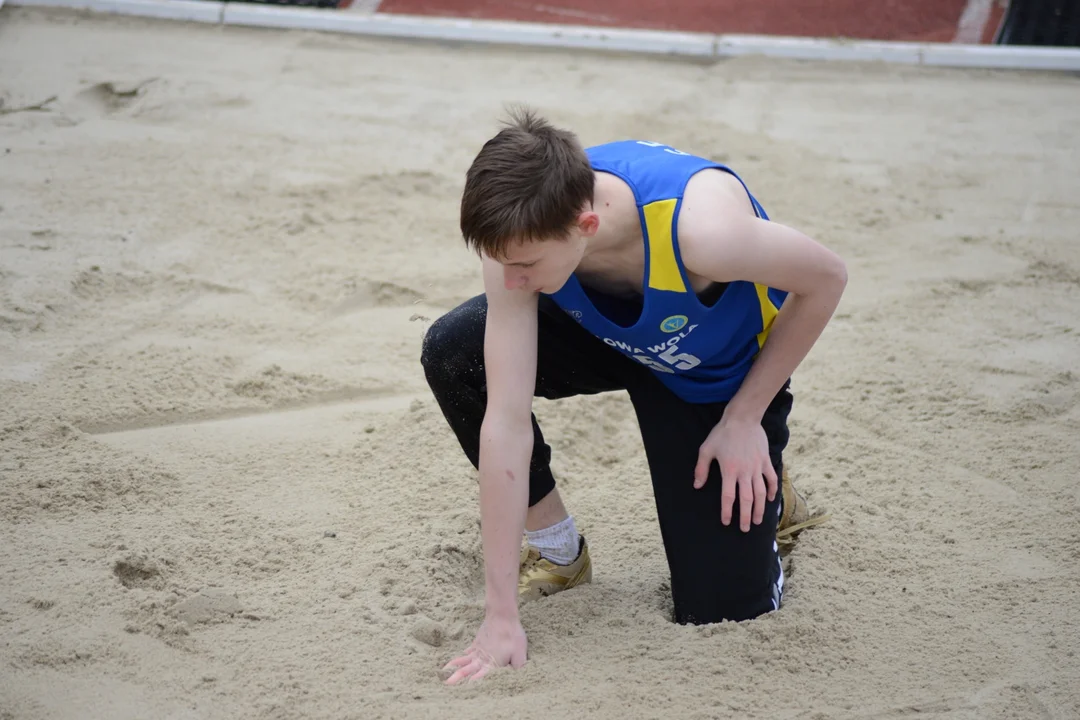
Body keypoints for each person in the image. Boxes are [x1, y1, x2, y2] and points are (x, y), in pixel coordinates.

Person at [420, 106, 847, 685]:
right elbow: (506, 422)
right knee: (455, 352)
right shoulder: (519, 246)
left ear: (585, 227)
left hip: (708, 371)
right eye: (502, 263)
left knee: (722, 612)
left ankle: (771, 481)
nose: (509, 278)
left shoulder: (705, 234)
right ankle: (557, 551)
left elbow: (827, 279)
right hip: (607, 334)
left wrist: (745, 417)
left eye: (524, 264)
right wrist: (501, 617)